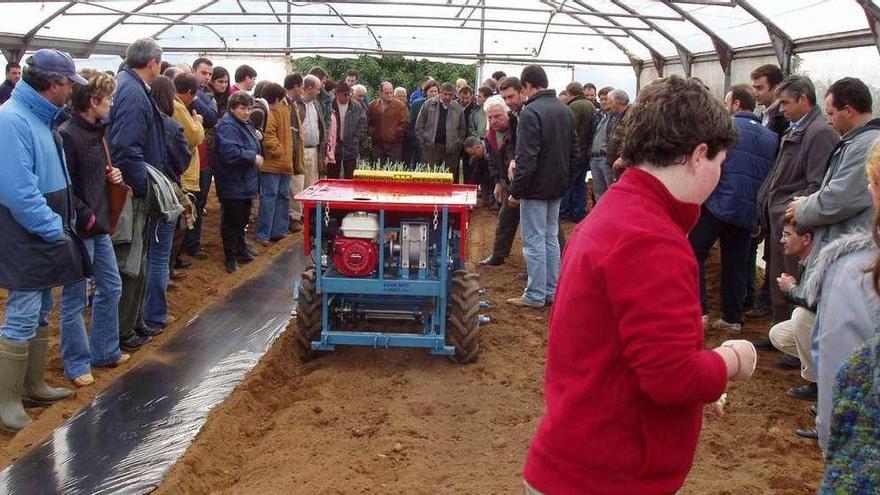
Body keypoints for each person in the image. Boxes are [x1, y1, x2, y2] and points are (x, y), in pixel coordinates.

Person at [523, 75, 752, 494]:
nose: (719, 174)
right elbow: (672, 378)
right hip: (607, 476)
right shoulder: (651, 238)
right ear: (699, 156)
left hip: (582, 456)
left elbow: (636, 351)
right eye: (720, 163)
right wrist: (732, 359)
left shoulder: (621, 211)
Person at [0, 49, 89, 433]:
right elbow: (18, 191)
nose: (72, 91)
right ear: (54, 85)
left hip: (46, 227)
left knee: (40, 307)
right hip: (26, 231)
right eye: (69, 84)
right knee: (22, 310)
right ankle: (6, 401)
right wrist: (53, 227)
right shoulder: (11, 121)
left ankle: (33, 385)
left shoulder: (42, 118)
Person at [58, 68, 130, 387]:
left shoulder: (98, 131)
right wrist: (85, 216)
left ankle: (104, 350)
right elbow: (66, 187)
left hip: (97, 224)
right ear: (93, 100)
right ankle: (76, 363)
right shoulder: (67, 135)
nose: (111, 104)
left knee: (111, 286)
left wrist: (110, 176)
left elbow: (93, 174)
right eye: (108, 98)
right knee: (74, 297)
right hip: (79, 226)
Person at [690, 84, 778, 333]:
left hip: (716, 203)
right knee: (736, 263)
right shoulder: (771, 137)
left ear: (736, 104)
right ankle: (733, 317)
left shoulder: (721, 129)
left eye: (727, 102)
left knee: (694, 253)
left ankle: (699, 311)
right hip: (747, 209)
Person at [756, 75, 838, 325]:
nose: (781, 109)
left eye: (786, 103)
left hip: (794, 220)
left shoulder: (819, 133)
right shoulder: (798, 129)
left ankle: (793, 338)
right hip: (780, 216)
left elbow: (816, 184)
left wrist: (795, 217)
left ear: (804, 100)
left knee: (794, 277)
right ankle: (779, 331)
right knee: (778, 277)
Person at [108, 38, 168, 352]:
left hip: (134, 185)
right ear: (153, 62)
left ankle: (134, 322)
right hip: (132, 191)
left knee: (140, 258)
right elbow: (126, 147)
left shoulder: (129, 87)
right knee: (129, 261)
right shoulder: (132, 93)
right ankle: (122, 330)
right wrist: (143, 187)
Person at [505, 65, 578, 308]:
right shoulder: (564, 110)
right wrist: (565, 181)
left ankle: (535, 294)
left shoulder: (530, 112)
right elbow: (575, 153)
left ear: (526, 86)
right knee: (549, 238)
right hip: (556, 187)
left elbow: (527, 157)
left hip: (535, 188)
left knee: (534, 241)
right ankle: (551, 291)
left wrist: (516, 190)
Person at [744, 64, 788, 319]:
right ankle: (758, 296)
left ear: (775, 87)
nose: (756, 92)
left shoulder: (781, 121)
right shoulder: (766, 116)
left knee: (773, 251)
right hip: (764, 192)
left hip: (774, 194)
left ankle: (767, 300)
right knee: (760, 248)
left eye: (760, 87)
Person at [767, 220, 817, 405]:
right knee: (779, 335)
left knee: (801, 316)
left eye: (787, 234)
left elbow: (819, 303)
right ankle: (823, 373)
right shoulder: (806, 260)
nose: (782, 240)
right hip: (826, 326)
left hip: (840, 330)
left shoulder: (820, 261)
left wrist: (792, 290)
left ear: (806, 239)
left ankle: (818, 383)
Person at [214, 92, 263, 273]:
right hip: (232, 181)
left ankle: (241, 250)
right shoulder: (228, 126)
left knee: (242, 218)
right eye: (242, 108)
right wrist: (252, 157)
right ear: (233, 108)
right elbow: (230, 152)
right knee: (232, 221)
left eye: (249, 108)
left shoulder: (245, 124)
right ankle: (230, 256)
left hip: (245, 181)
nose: (246, 112)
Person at [182, 63, 225, 260]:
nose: (207, 77)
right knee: (186, 203)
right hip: (189, 157)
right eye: (203, 73)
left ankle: (193, 243)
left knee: (199, 202)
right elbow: (208, 118)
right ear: (193, 72)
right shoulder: (187, 97)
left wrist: (198, 101)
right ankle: (184, 245)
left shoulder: (208, 95)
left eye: (210, 73)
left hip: (205, 156)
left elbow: (211, 117)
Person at [169, 73, 205, 278]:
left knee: (180, 222)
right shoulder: (178, 107)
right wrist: (197, 121)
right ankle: (169, 267)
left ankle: (173, 263)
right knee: (180, 221)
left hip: (182, 171)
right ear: (190, 92)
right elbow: (193, 136)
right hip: (183, 173)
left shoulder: (175, 106)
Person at [255, 83, 294, 246]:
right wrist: (280, 151)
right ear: (277, 99)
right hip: (273, 165)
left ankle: (278, 231)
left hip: (282, 163)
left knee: (282, 196)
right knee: (270, 197)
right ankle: (263, 233)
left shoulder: (281, 110)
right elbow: (268, 137)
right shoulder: (271, 113)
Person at [559, 81, 595, 223]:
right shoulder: (590, 105)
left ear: (569, 94)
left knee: (568, 182)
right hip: (586, 152)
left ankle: (564, 211)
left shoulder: (573, 107)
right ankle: (578, 212)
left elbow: (569, 130)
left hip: (574, 152)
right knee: (580, 184)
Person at [415, 82, 466, 180]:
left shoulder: (457, 108)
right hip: (430, 148)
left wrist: (457, 143)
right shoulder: (429, 104)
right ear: (440, 93)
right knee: (429, 177)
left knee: (447, 178)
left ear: (454, 94)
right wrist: (423, 143)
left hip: (450, 149)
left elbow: (462, 129)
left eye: (450, 95)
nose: (447, 97)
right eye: (445, 94)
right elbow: (419, 125)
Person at [284, 72, 307, 233]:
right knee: (290, 189)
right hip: (288, 154)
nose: (303, 91)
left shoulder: (294, 103)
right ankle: (291, 219)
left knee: (294, 188)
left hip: (294, 152)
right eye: (302, 87)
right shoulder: (285, 104)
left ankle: (291, 218)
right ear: (296, 86)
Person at [367, 81, 409, 164]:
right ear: (380, 93)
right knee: (378, 170)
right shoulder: (373, 106)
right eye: (386, 93)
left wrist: (395, 135)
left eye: (391, 93)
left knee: (393, 170)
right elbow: (369, 122)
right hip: (378, 144)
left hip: (394, 145)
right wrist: (373, 133)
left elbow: (405, 123)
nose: (389, 95)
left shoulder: (400, 106)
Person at [331, 81, 367, 179]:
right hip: (334, 146)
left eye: (349, 94)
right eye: (344, 94)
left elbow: (362, 124)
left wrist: (355, 139)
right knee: (333, 175)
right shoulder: (330, 105)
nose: (347, 97)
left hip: (351, 146)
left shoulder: (356, 107)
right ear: (337, 93)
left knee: (350, 176)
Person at [589, 86, 615, 202]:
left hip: (607, 158)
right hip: (594, 158)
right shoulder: (597, 116)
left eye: (606, 99)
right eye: (601, 99)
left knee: (611, 190)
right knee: (598, 192)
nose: (603, 102)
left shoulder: (617, 117)